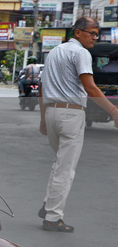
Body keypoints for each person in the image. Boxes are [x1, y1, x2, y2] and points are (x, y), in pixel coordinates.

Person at [39, 17, 118, 232]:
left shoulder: (54, 52)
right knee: (65, 169)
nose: (95, 37)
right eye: (91, 33)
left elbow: (42, 86)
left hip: (52, 113)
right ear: (77, 33)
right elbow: (91, 88)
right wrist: (113, 111)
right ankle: (53, 218)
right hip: (70, 115)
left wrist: (42, 118)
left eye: (96, 34)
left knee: (59, 163)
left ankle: (48, 206)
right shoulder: (81, 53)